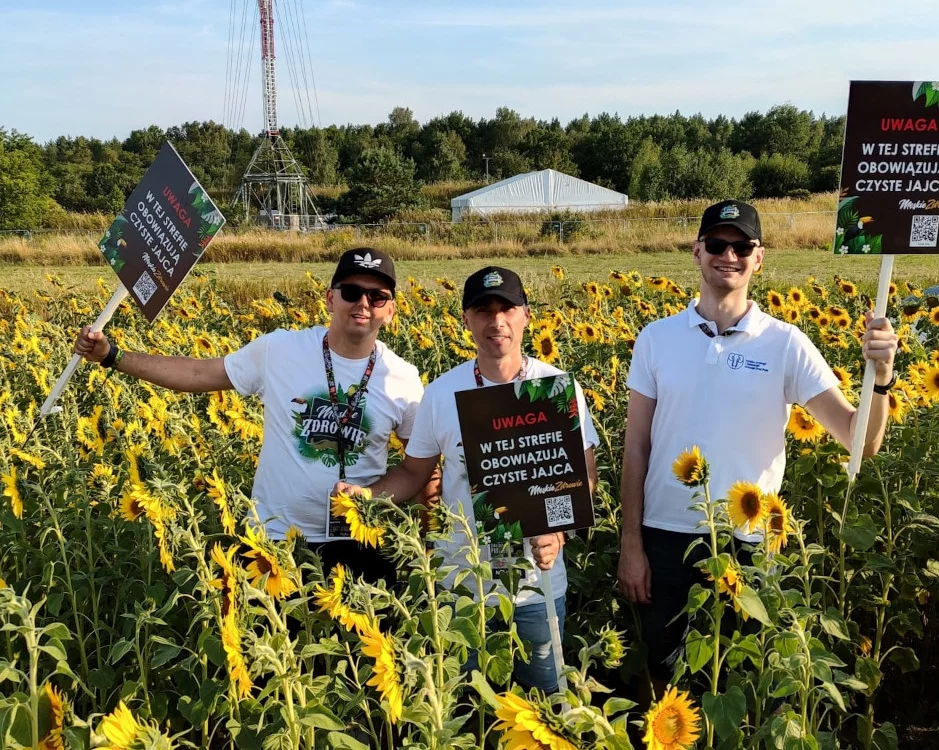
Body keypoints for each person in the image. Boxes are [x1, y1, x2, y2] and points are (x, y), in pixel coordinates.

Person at [616, 200, 898, 692]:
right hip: (664, 536)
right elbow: (635, 447)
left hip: (747, 544)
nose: (730, 255)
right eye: (718, 245)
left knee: (737, 685)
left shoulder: (785, 344)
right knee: (663, 681)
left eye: (742, 246)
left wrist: (882, 378)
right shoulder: (656, 340)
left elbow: (860, 440)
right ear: (696, 251)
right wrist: (630, 544)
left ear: (759, 257)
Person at [74, 248, 429, 583]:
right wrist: (113, 356)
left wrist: (372, 498)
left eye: (377, 296)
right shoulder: (280, 349)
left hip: (359, 540)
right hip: (272, 541)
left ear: (391, 310)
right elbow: (199, 375)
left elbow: (417, 470)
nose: (363, 303)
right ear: (330, 298)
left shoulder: (402, 378)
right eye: (351, 291)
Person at [338, 266, 599, 693]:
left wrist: (559, 531)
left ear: (526, 316)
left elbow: (583, 475)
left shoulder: (554, 388)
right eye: (483, 310)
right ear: (466, 320)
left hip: (538, 584)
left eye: (506, 309)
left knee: (547, 703)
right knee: (470, 705)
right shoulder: (443, 394)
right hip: (464, 585)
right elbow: (413, 472)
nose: (496, 321)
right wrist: (366, 496)